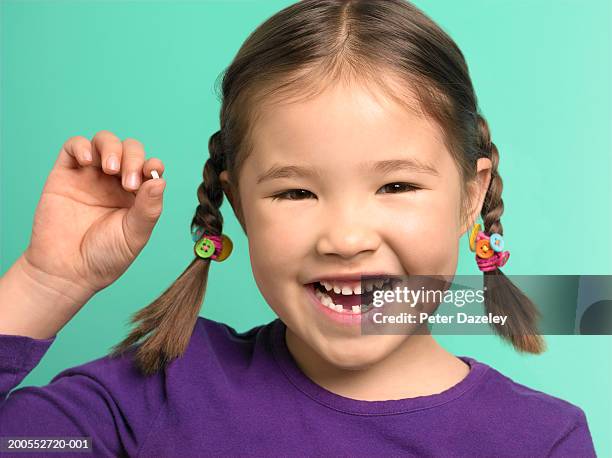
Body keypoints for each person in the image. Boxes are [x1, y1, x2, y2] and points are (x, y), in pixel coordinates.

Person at [0, 0, 597, 456]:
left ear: (471, 197)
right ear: (237, 205)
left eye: (396, 186)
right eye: (296, 191)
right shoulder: (157, 392)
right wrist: (44, 284)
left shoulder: (542, 439)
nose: (344, 237)